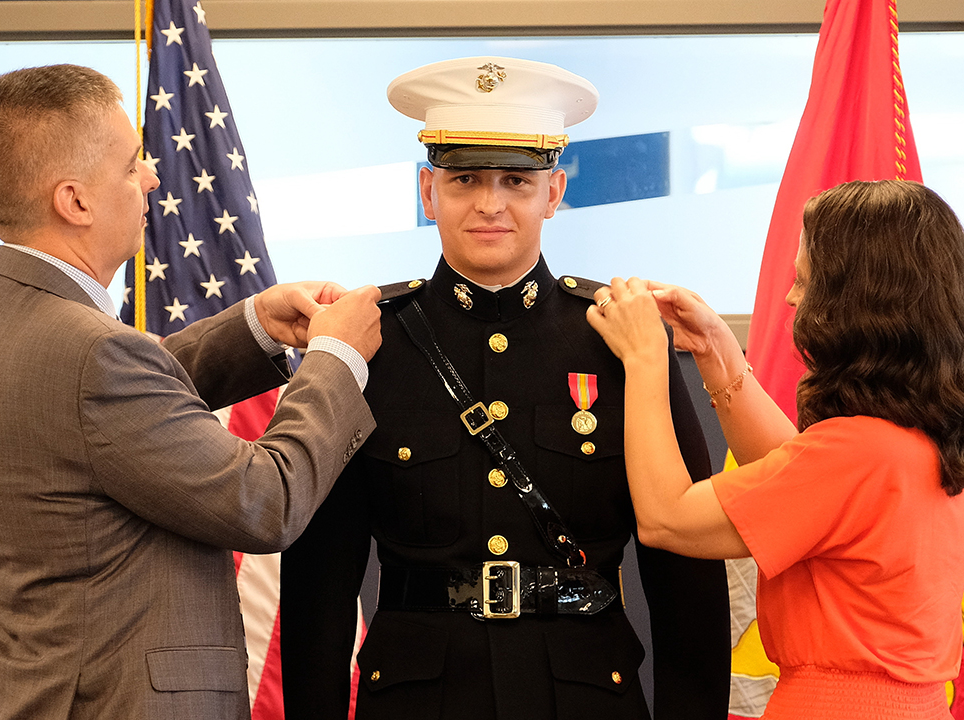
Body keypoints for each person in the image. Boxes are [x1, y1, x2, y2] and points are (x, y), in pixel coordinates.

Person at [280, 57, 730, 719]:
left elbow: (685, 571)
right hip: (416, 701)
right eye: (465, 179)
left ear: (554, 193)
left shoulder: (619, 338)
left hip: (584, 699)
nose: (491, 203)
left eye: (517, 180)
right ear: (429, 192)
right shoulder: (369, 344)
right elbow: (321, 577)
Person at [0, 64, 382, 719]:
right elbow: (266, 502)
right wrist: (338, 358)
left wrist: (253, 325)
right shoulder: (91, 354)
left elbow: (114, 411)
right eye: (130, 164)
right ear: (75, 201)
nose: (150, 177)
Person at [586, 179, 964, 719]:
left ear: (856, 302)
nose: (790, 298)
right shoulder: (917, 435)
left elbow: (667, 519)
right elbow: (795, 478)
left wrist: (644, 358)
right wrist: (716, 348)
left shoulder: (857, 450)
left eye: (806, 282)